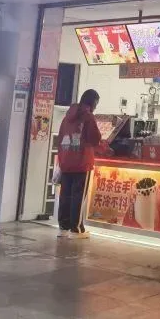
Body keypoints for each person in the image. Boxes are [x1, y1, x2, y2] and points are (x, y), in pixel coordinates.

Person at [56, 89, 102, 239]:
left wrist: (62, 158)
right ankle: (76, 229)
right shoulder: (88, 117)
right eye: (96, 103)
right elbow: (95, 139)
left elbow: (60, 138)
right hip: (82, 161)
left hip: (66, 160)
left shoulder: (67, 116)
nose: (96, 106)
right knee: (78, 196)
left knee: (65, 195)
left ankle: (63, 228)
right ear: (93, 102)